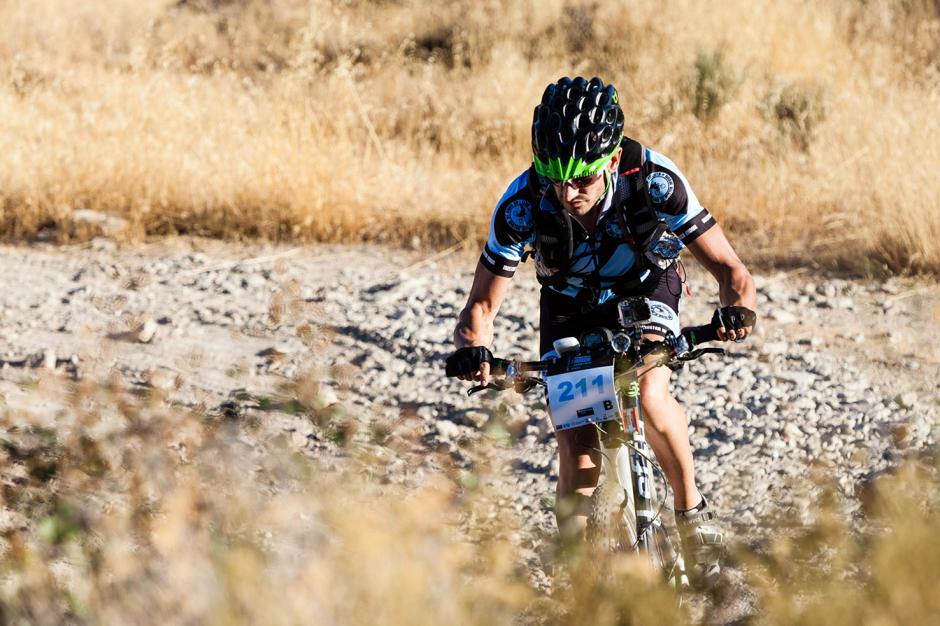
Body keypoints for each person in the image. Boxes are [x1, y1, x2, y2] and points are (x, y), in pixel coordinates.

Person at [445, 76, 757, 587]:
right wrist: (474, 350)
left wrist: (734, 311)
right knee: (576, 441)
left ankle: (690, 512)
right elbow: (480, 305)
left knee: (650, 388)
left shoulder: (654, 179)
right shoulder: (522, 203)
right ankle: (577, 576)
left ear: (611, 161)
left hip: (646, 288)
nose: (568, 195)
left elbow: (731, 272)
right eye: (555, 179)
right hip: (569, 304)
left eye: (582, 180)